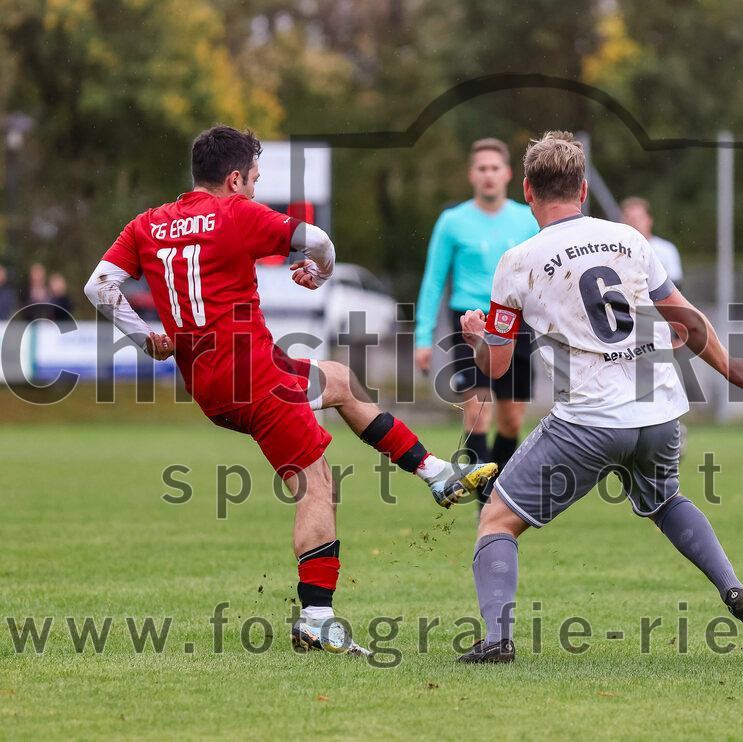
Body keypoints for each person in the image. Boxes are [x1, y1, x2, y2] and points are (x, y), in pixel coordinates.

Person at [83, 125, 497, 659]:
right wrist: (318, 271)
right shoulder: (235, 213)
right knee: (317, 482)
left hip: (217, 380)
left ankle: (437, 474)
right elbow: (319, 242)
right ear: (234, 178)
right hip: (255, 381)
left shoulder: (148, 223)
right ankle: (317, 618)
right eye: (253, 180)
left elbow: (99, 286)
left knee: (342, 382)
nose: (254, 190)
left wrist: (146, 340)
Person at [456, 132, 743, 663]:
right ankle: (735, 590)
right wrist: (728, 368)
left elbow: (495, 366)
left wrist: (474, 336)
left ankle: (497, 641)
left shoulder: (518, 261)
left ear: (527, 192)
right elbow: (685, 317)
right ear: (583, 189)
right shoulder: (630, 240)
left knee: (496, 519)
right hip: (659, 411)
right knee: (666, 500)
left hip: (587, 421)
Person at [414, 138, 539, 509]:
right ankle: (486, 503)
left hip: (516, 322)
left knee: (512, 420)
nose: (488, 175)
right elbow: (434, 280)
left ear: (507, 175)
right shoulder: (453, 222)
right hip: (470, 323)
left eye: (494, 168)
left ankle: (498, 489)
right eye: (481, 168)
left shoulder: (526, 219)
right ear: (472, 175)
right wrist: (423, 337)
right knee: (477, 409)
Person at [620, 197, 683, 289]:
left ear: (649, 220)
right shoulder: (614, 250)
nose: (635, 223)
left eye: (639, 218)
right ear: (622, 222)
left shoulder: (666, 249)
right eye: (630, 218)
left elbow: (675, 284)